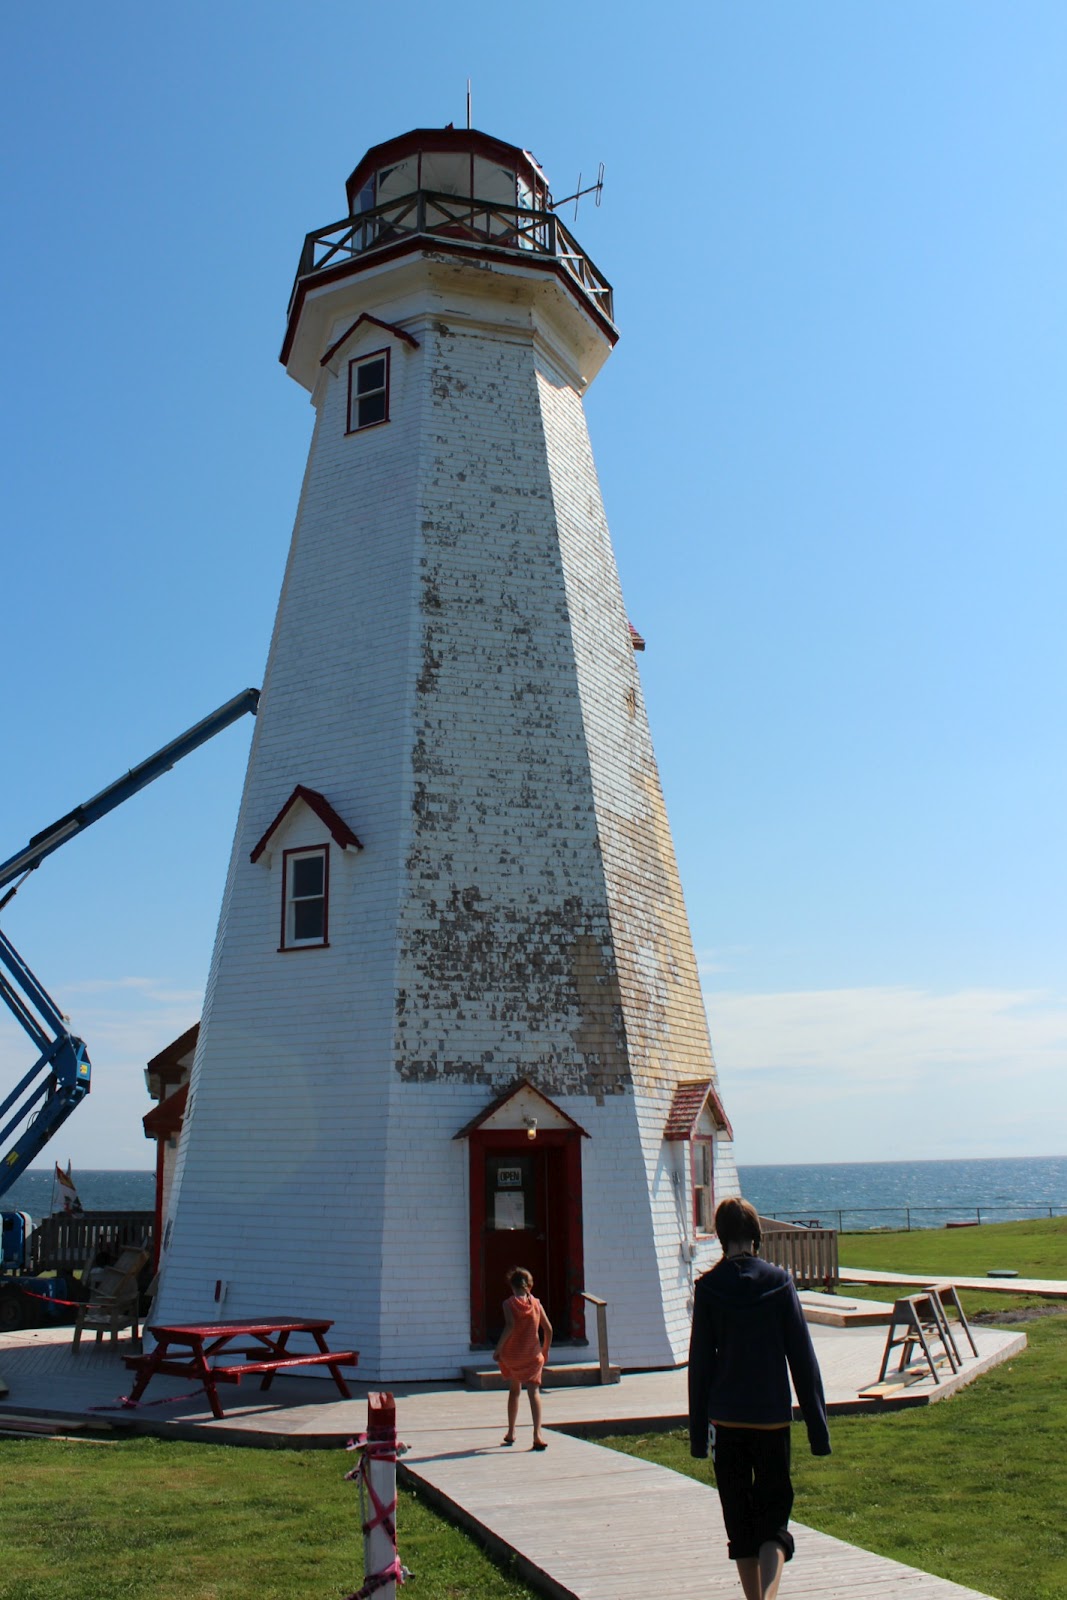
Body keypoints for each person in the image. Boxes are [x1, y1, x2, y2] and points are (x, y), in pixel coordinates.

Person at [688, 1197, 831, 1600]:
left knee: (740, 1524)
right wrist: (818, 1431)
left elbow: (700, 1367)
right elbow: (803, 1359)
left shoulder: (709, 1288)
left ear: (720, 1236)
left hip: (726, 1423)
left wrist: (698, 1436)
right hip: (771, 1420)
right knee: (772, 1521)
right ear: (755, 1233)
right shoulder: (780, 1283)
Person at [493, 1266, 552, 1450]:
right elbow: (548, 1329)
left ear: (512, 1286)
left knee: (514, 1390)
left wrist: (499, 1348)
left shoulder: (508, 1304)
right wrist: (545, 1350)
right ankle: (537, 1434)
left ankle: (511, 1432)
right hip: (532, 1355)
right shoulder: (536, 1304)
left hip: (513, 1355)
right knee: (533, 1392)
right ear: (530, 1285)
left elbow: (509, 1326)